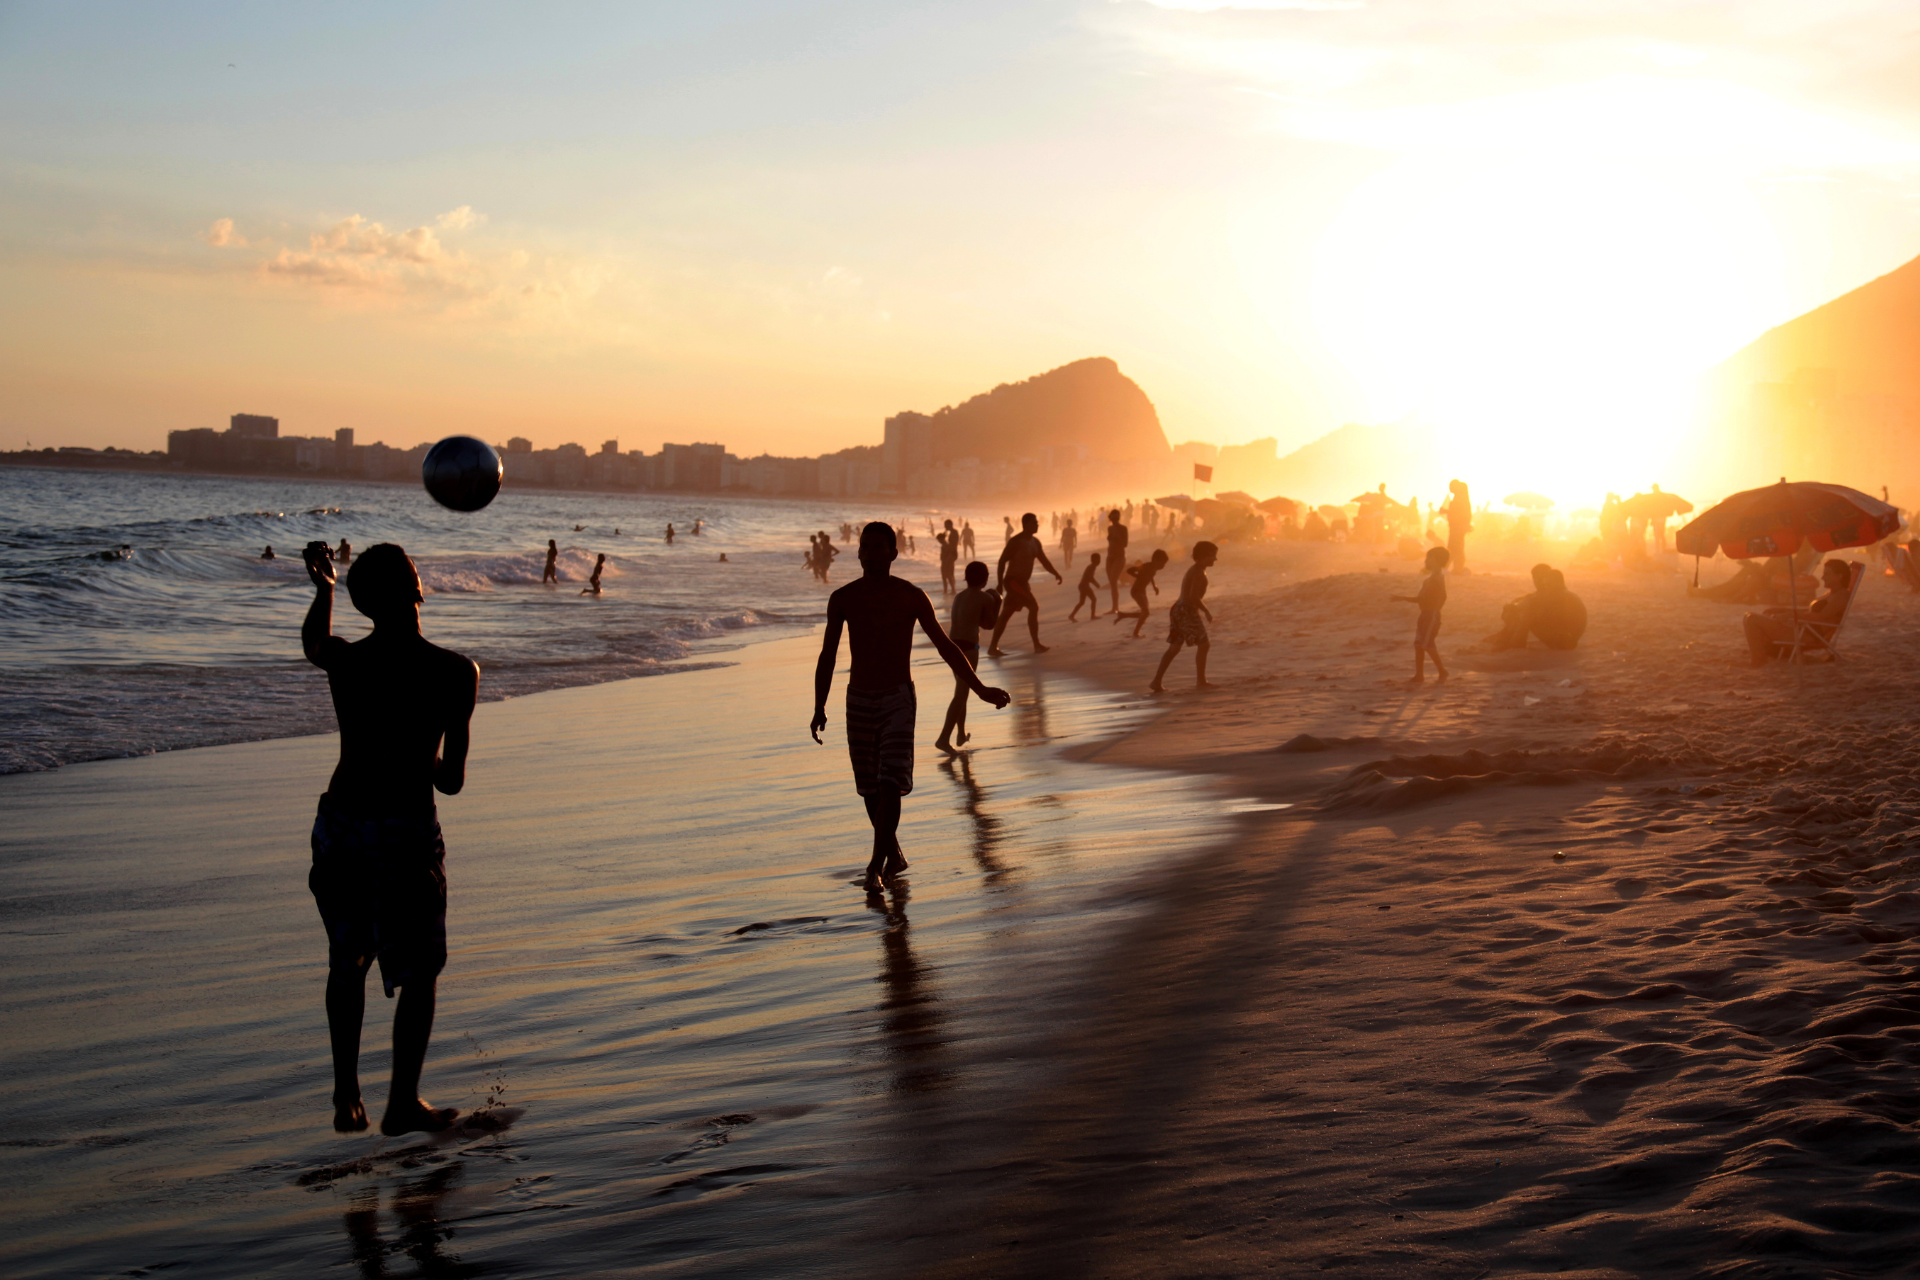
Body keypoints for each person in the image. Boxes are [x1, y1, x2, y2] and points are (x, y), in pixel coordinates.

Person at [299, 540, 477, 1137]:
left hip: (344, 823)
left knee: (346, 959)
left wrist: (322, 589)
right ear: (419, 589)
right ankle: (403, 1101)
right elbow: (450, 781)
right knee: (421, 968)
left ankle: (347, 1094)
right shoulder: (456, 672)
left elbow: (313, 646)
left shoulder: (349, 662)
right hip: (405, 830)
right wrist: (414, 750)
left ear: (364, 605)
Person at [811, 524, 1011, 891]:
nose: (870, 553)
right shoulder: (843, 598)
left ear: (893, 553)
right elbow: (827, 655)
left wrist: (980, 689)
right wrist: (818, 706)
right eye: (864, 547)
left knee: (889, 783)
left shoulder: (911, 596)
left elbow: (946, 646)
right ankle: (894, 855)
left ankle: (875, 865)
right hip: (857, 699)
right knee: (869, 788)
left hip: (898, 699)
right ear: (858, 553)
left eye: (878, 547)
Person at [936, 561, 1000, 753]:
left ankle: (961, 734)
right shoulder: (985, 598)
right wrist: (999, 601)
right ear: (985, 578)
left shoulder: (959, 596)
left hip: (952, 646)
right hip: (969, 648)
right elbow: (989, 625)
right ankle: (943, 739)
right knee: (962, 693)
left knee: (961, 690)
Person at [1743, 558, 1855, 665]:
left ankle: (1758, 661)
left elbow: (1820, 617)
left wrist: (1791, 615)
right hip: (1802, 628)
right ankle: (1767, 653)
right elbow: (1811, 611)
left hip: (1807, 634)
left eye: (1827, 574)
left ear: (1839, 576)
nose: (1822, 577)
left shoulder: (1842, 596)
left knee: (1752, 619)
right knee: (1759, 614)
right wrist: (1784, 611)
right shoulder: (1832, 593)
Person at [988, 512, 1064, 657]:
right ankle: (1036, 645)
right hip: (1013, 582)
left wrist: (1055, 573)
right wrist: (999, 583)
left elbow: (1044, 560)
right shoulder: (1016, 541)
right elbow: (1002, 560)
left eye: (1037, 523)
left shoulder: (1035, 542)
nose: (1037, 525)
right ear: (1026, 524)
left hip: (1022, 583)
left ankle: (993, 647)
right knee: (1033, 607)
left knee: (1006, 614)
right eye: (1034, 523)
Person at [1150, 542, 1216, 693]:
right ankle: (1201, 681)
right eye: (1212, 555)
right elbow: (1194, 596)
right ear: (1202, 557)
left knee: (1174, 647)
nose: (1215, 559)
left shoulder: (1195, 570)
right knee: (1204, 645)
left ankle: (1156, 681)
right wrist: (1206, 611)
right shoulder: (1199, 572)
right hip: (1186, 610)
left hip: (1178, 609)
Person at [1486, 564, 1587, 651]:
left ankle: (1515, 645)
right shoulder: (1560, 593)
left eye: (1542, 579)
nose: (1540, 583)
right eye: (1536, 579)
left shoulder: (1557, 595)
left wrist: (1515, 609)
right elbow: (1530, 599)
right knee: (1526, 609)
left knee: (1527, 613)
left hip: (1566, 641)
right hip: (1569, 638)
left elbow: (1530, 603)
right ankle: (1506, 638)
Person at [1394, 546, 1450, 682]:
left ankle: (1442, 671)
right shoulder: (1433, 578)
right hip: (1425, 615)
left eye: (1428, 558)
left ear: (1436, 560)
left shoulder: (1436, 579)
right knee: (1419, 645)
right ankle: (1420, 675)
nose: (1425, 561)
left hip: (1431, 615)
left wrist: (1403, 598)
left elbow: (1431, 597)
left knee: (1427, 644)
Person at [1112, 548, 1171, 638]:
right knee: (1146, 612)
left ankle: (1123, 615)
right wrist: (1138, 576)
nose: (1163, 566)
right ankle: (1135, 633)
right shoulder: (1146, 566)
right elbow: (1129, 570)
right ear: (1155, 560)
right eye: (1162, 563)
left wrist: (1154, 586)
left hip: (1142, 592)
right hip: (1136, 591)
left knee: (1145, 613)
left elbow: (1151, 576)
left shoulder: (1153, 569)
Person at [1104, 509, 1129, 613]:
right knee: (1112, 582)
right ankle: (1114, 607)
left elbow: (1125, 544)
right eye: (1112, 518)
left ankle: (1115, 607)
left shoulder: (1123, 528)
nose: (1113, 520)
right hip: (1110, 557)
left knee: (1113, 581)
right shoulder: (1109, 528)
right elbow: (1110, 541)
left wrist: (1116, 537)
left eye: (1115, 518)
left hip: (1119, 557)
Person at [1444, 480, 1472, 574]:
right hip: (1457, 527)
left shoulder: (1459, 499)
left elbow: (1458, 514)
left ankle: (1457, 568)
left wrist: (1445, 511)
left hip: (1457, 528)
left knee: (1455, 547)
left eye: (1451, 486)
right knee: (1455, 547)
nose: (1449, 488)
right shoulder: (1460, 498)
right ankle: (1456, 567)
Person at [1068, 553, 1102, 621]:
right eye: (1098, 559)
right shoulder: (1092, 567)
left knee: (1082, 602)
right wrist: (1096, 584)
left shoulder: (1091, 566)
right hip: (1084, 586)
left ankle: (1071, 615)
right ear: (1095, 560)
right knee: (1093, 599)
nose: (1099, 561)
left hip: (1082, 585)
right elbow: (1090, 578)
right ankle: (1093, 616)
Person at [938, 519, 960, 594]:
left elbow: (953, 545)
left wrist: (949, 556)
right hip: (952, 554)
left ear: (950, 524)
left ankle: (953, 590)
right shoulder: (952, 532)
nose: (944, 526)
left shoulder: (954, 532)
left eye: (945, 525)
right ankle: (952, 589)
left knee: (948, 572)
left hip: (952, 554)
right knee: (950, 572)